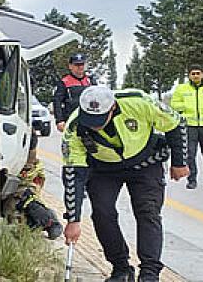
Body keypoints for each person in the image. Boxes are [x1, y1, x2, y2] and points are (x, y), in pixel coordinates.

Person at [61, 86, 189, 282]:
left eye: (99, 119)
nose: (95, 126)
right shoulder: (75, 126)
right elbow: (73, 174)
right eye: (90, 120)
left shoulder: (139, 102)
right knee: (102, 213)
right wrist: (73, 218)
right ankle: (120, 268)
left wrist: (179, 162)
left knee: (148, 212)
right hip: (104, 168)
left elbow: (176, 123)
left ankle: (149, 272)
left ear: (113, 108)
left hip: (145, 163)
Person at [170, 65, 203, 189]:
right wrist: (184, 108)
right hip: (189, 126)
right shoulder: (181, 89)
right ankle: (192, 180)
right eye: (193, 73)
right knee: (190, 154)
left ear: (202, 75)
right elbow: (174, 103)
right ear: (189, 75)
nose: (195, 75)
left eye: (198, 73)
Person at [53, 53, 97, 133]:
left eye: (82, 64)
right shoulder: (64, 82)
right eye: (77, 64)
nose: (80, 67)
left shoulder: (91, 81)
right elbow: (57, 102)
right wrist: (59, 120)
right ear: (70, 66)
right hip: (71, 121)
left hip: (90, 121)